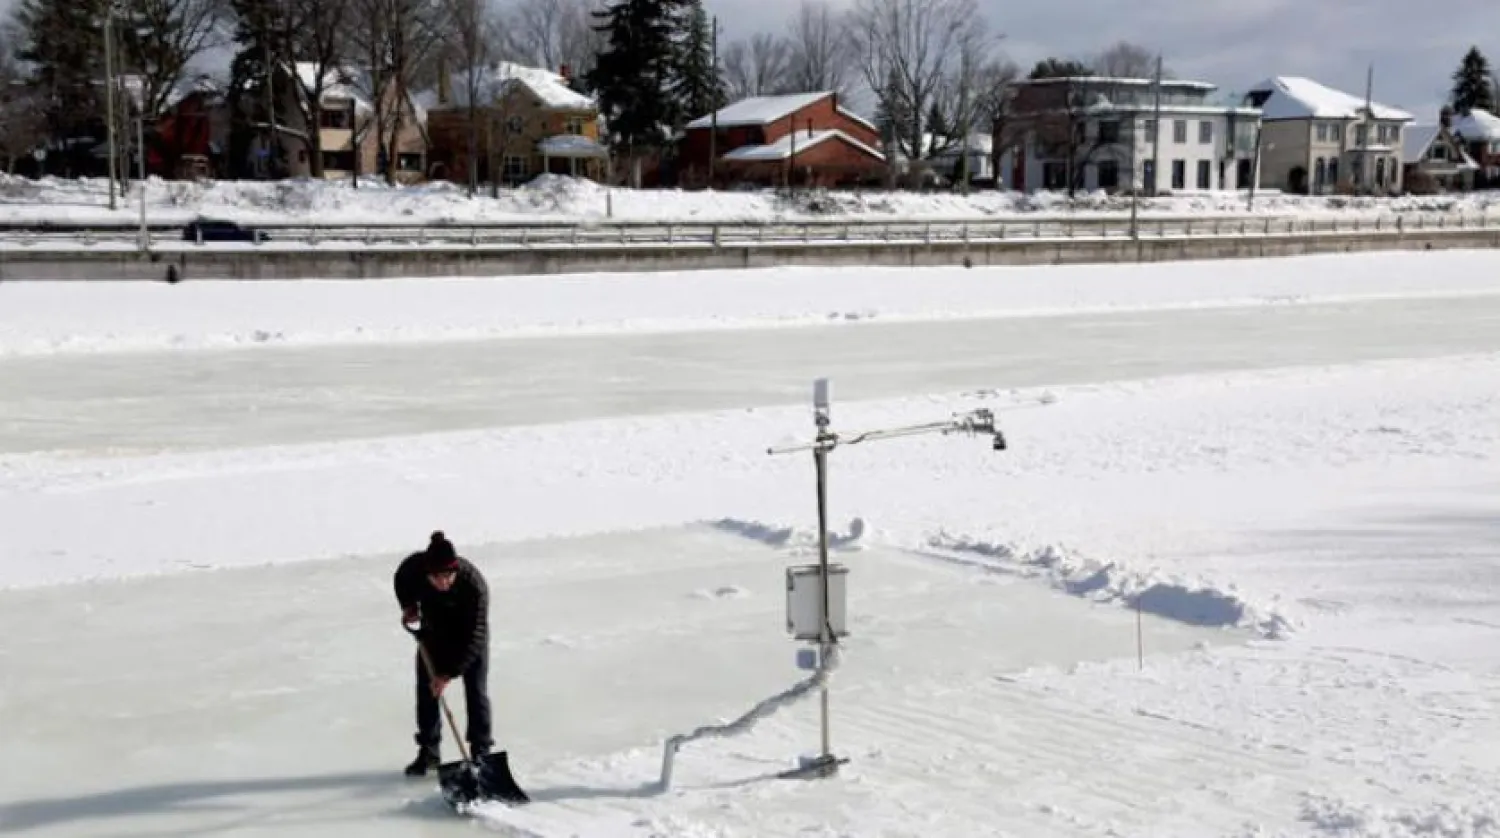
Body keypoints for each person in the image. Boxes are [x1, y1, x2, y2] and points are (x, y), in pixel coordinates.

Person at [394, 531, 492, 777]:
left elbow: (476, 635)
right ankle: (429, 751)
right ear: (427, 573)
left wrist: (448, 673)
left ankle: (481, 751)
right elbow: (401, 577)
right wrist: (408, 605)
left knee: (476, 691)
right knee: (426, 692)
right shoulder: (415, 568)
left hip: (468, 636)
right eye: (437, 577)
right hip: (434, 631)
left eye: (448, 576)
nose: (444, 582)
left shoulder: (474, 585)